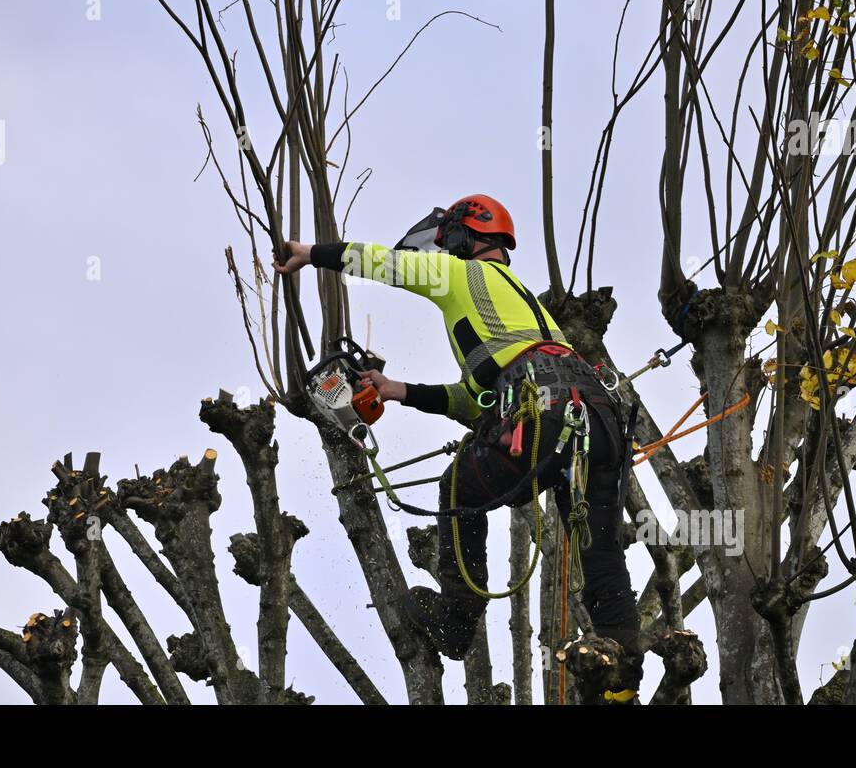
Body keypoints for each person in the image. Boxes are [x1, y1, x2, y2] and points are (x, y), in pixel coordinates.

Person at [274, 195, 643, 695]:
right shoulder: (520, 306)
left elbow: (389, 264)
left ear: (465, 239)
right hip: (596, 417)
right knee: (599, 546)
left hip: (542, 411)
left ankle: (456, 620)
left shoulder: (461, 276)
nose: (443, 251)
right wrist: (396, 390)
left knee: (458, 490)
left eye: (448, 242)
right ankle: (620, 672)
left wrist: (310, 252)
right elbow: (475, 403)